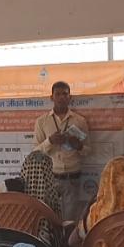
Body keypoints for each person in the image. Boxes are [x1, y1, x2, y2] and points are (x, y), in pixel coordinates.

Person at [33, 81, 90, 221]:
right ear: (51, 97)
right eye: (57, 94)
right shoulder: (41, 121)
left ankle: (68, 236)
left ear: (70, 97)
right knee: (49, 220)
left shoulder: (80, 121)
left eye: (65, 94)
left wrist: (79, 146)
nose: (61, 97)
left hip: (72, 179)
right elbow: (35, 153)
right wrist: (50, 141)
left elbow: (88, 151)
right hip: (50, 179)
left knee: (69, 222)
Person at [0, 151, 61, 246]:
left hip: (7, 241)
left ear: (25, 166)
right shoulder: (52, 195)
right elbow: (58, 225)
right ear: (48, 171)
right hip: (41, 245)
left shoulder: (8, 186)